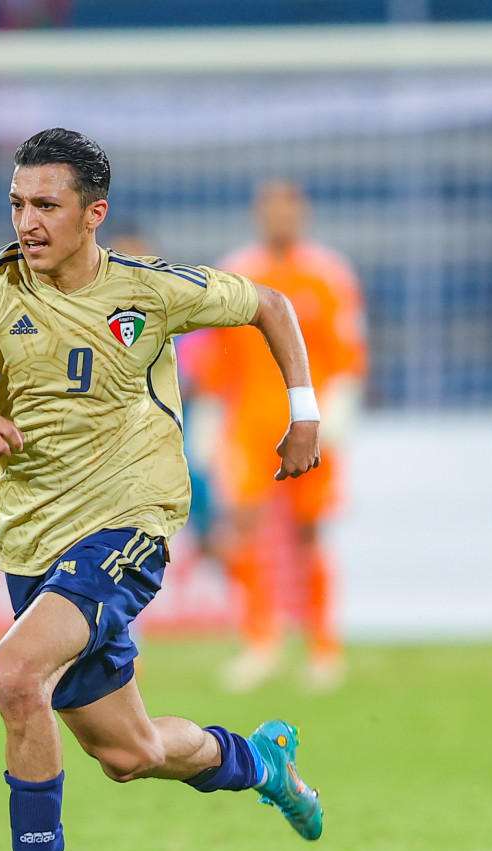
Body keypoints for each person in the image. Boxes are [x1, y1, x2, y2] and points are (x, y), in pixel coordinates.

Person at [0, 128, 325, 851]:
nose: (27, 220)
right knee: (128, 754)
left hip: (132, 519)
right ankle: (261, 763)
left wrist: (303, 412)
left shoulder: (151, 291)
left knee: (14, 676)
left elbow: (270, 305)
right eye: (18, 203)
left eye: (46, 206)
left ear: (94, 214)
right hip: (34, 542)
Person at [193, 181, 368, 693]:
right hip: (250, 424)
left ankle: (323, 646)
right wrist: (208, 410)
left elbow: (347, 349)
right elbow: (216, 354)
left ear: (303, 213)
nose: (279, 217)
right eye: (270, 209)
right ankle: (260, 643)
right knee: (242, 528)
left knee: (310, 531)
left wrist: (338, 406)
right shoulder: (236, 273)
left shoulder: (328, 275)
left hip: (309, 422)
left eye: (288, 208)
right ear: (257, 215)